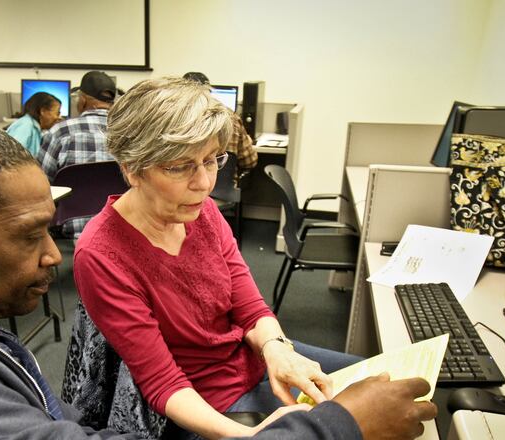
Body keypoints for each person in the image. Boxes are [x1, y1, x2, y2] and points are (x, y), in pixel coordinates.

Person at [0, 118, 435, 440]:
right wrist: (334, 429)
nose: (55, 256)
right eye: (30, 236)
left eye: (52, 228)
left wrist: (274, 344)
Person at [73, 77, 436, 439]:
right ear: (132, 168)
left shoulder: (202, 212)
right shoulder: (102, 253)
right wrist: (247, 437)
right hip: (207, 401)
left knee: (380, 380)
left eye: (212, 160)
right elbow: (162, 382)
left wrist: (277, 350)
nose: (204, 183)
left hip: (250, 359)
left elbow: (248, 306)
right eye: (180, 167)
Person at [36, 70, 116, 237]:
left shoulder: (60, 131)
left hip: (71, 232)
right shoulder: (131, 132)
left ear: (83, 99)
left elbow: (40, 185)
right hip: (121, 229)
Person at [183, 71, 257, 184]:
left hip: (187, 187)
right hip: (227, 191)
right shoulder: (231, 117)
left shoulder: (176, 120)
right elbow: (249, 161)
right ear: (209, 91)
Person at [6, 91, 61, 156]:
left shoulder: (34, 127)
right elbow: (12, 157)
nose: (59, 117)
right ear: (42, 111)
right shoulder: (25, 127)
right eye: (57, 113)